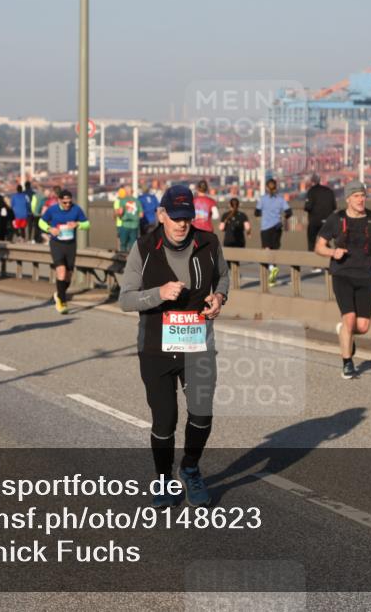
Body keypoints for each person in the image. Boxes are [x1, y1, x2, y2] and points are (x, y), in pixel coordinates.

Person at [118, 185, 230, 507]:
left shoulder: (208, 243)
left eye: (187, 217)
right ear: (161, 215)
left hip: (198, 345)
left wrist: (219, 297)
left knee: (202, 414)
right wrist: (158, 293)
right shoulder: (144, 248)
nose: (182, 224)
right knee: (165, 420)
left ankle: (191, 468)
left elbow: (223, 277)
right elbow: (125, 299)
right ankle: (164, 478)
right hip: (155, 348)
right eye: (176, 217)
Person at [315, 181, 371, 379]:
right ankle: (347, 364)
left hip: (365, 274)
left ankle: (344, 333)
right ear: (347, 199)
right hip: (342, 274)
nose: (361, 199)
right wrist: (333, 251)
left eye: (362, 195)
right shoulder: (336, 219)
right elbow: (319, 246)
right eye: (356, 196)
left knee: (362, 327)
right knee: (349, 319)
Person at [39, 190, 89, 314]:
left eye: (69, 202)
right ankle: (62, 301)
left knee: (68, 275)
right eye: (65, 202)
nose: (67, 205)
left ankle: (59, 293)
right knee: (61, 271)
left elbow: (87, 224)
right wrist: (50, 229)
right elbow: (41, 222)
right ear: (59, 200)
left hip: (71, 245)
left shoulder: (76, 209)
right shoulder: (52, 210)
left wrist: (77, 224)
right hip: (57, 244)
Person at [255, 178, 291, 286]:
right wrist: (282, 218)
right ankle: (272, 276)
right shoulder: (281, 200)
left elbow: (256, 212)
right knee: (274, 250)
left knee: (267, 250)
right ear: (276, 187)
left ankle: (271, 269)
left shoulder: (262, 199)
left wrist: (265, 214)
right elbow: (289, 212)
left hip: (265, 227)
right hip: (277, 227)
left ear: (266, 188)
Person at [304, 173, 336, 252]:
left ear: (312, 181)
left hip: (315, 221)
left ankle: (313, 260)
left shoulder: (311, 191)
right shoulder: (329, 191)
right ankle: (330, 257)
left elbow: (308, 207)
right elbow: (334, 206)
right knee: (324, 241)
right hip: (328, 221)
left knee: (312, 242)